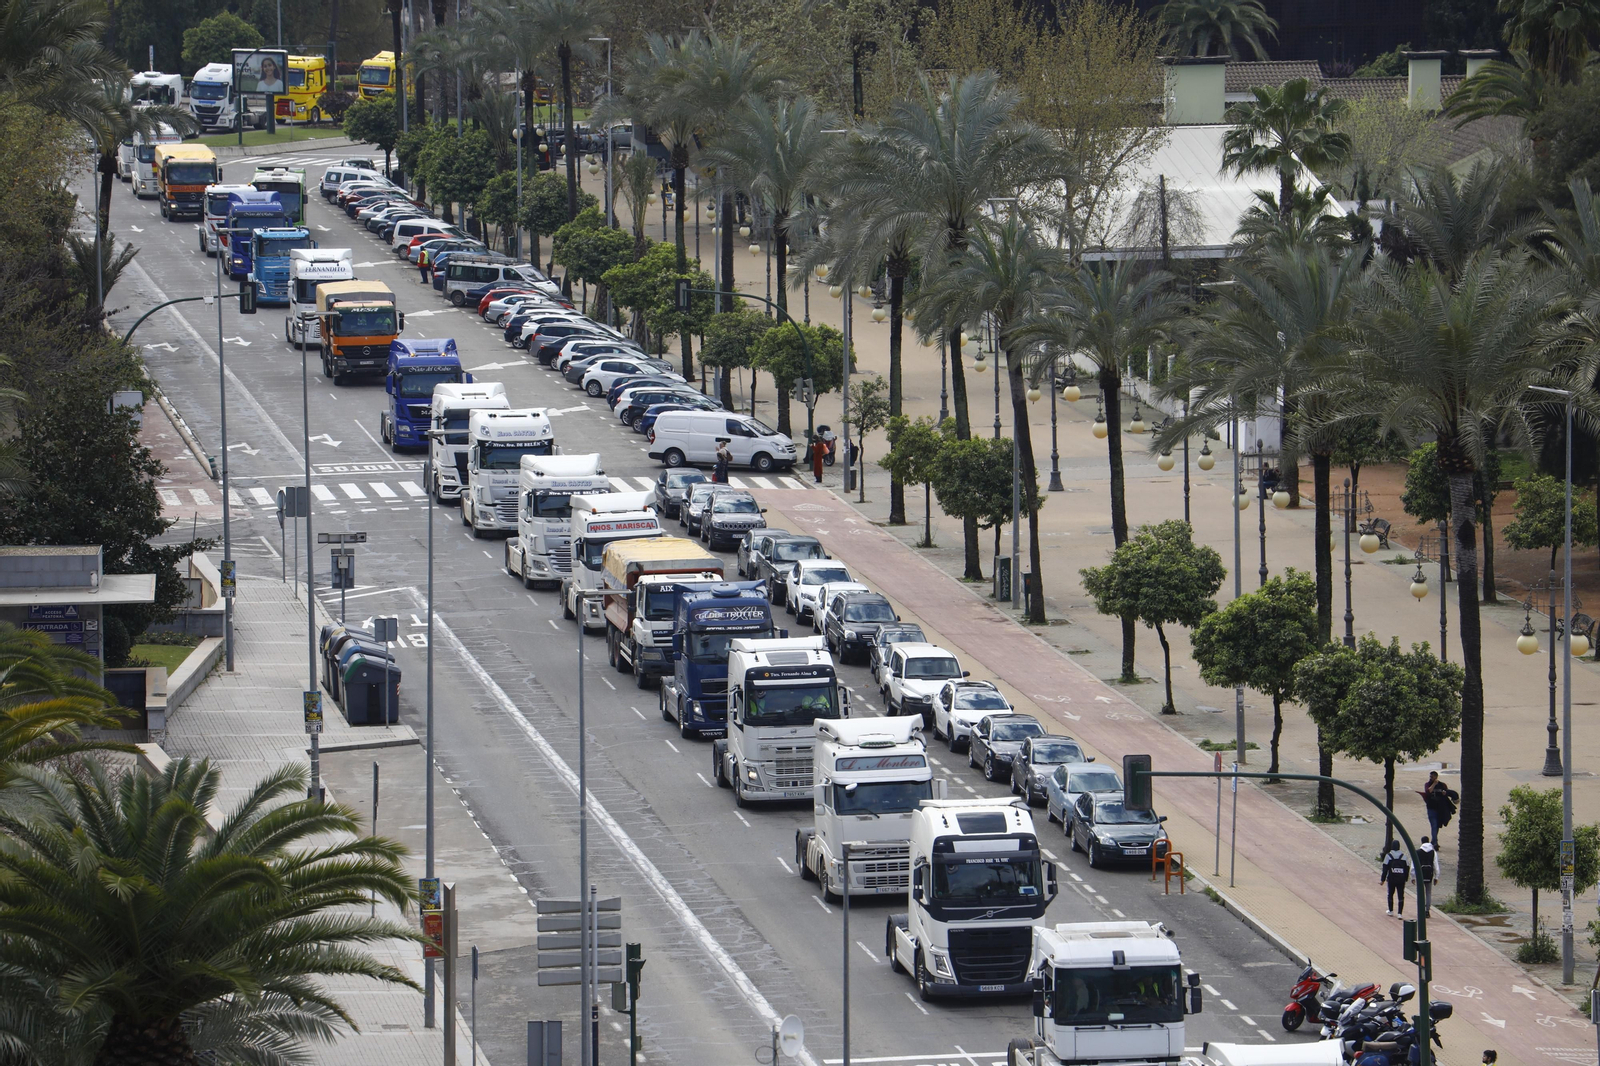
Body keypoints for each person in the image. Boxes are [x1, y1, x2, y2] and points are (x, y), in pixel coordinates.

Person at [1419, 771, 1458, 840]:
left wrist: (1445, 793)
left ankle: (1434, 840)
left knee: (1437, 825)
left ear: (1436, 777)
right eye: (1430, 776)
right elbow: (1428, 791)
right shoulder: (1428, 784)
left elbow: (1446, 793)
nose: (1430, 778)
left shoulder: (1442, 785)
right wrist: (1434, 784)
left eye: (1432, 777)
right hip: (1431, 808)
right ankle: (1434, 842)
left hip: (1440, 808)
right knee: (1434, 825)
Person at [1380, 839, 1410, 917]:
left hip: (1391, 879)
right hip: (1401, 879)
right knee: (1401, 896)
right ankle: (1400, 913)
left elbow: (1385, 869)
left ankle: (1390, 910)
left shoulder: (1388, 856)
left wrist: (1382, 880)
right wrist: (1406, 878)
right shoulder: (1404, 856)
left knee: (1390, 894)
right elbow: (1407, 868)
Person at [1417, 835, 1438, 913]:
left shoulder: (1418, 852)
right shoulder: (1433, 852)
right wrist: (1436, 877)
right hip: (1429, 874)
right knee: (1428, 892)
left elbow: (1414, 865)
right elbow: (1436, 865)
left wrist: (1413, 876)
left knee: (1420, 892)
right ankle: (1427, 910)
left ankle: (1421, 909)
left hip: (1420, 874)